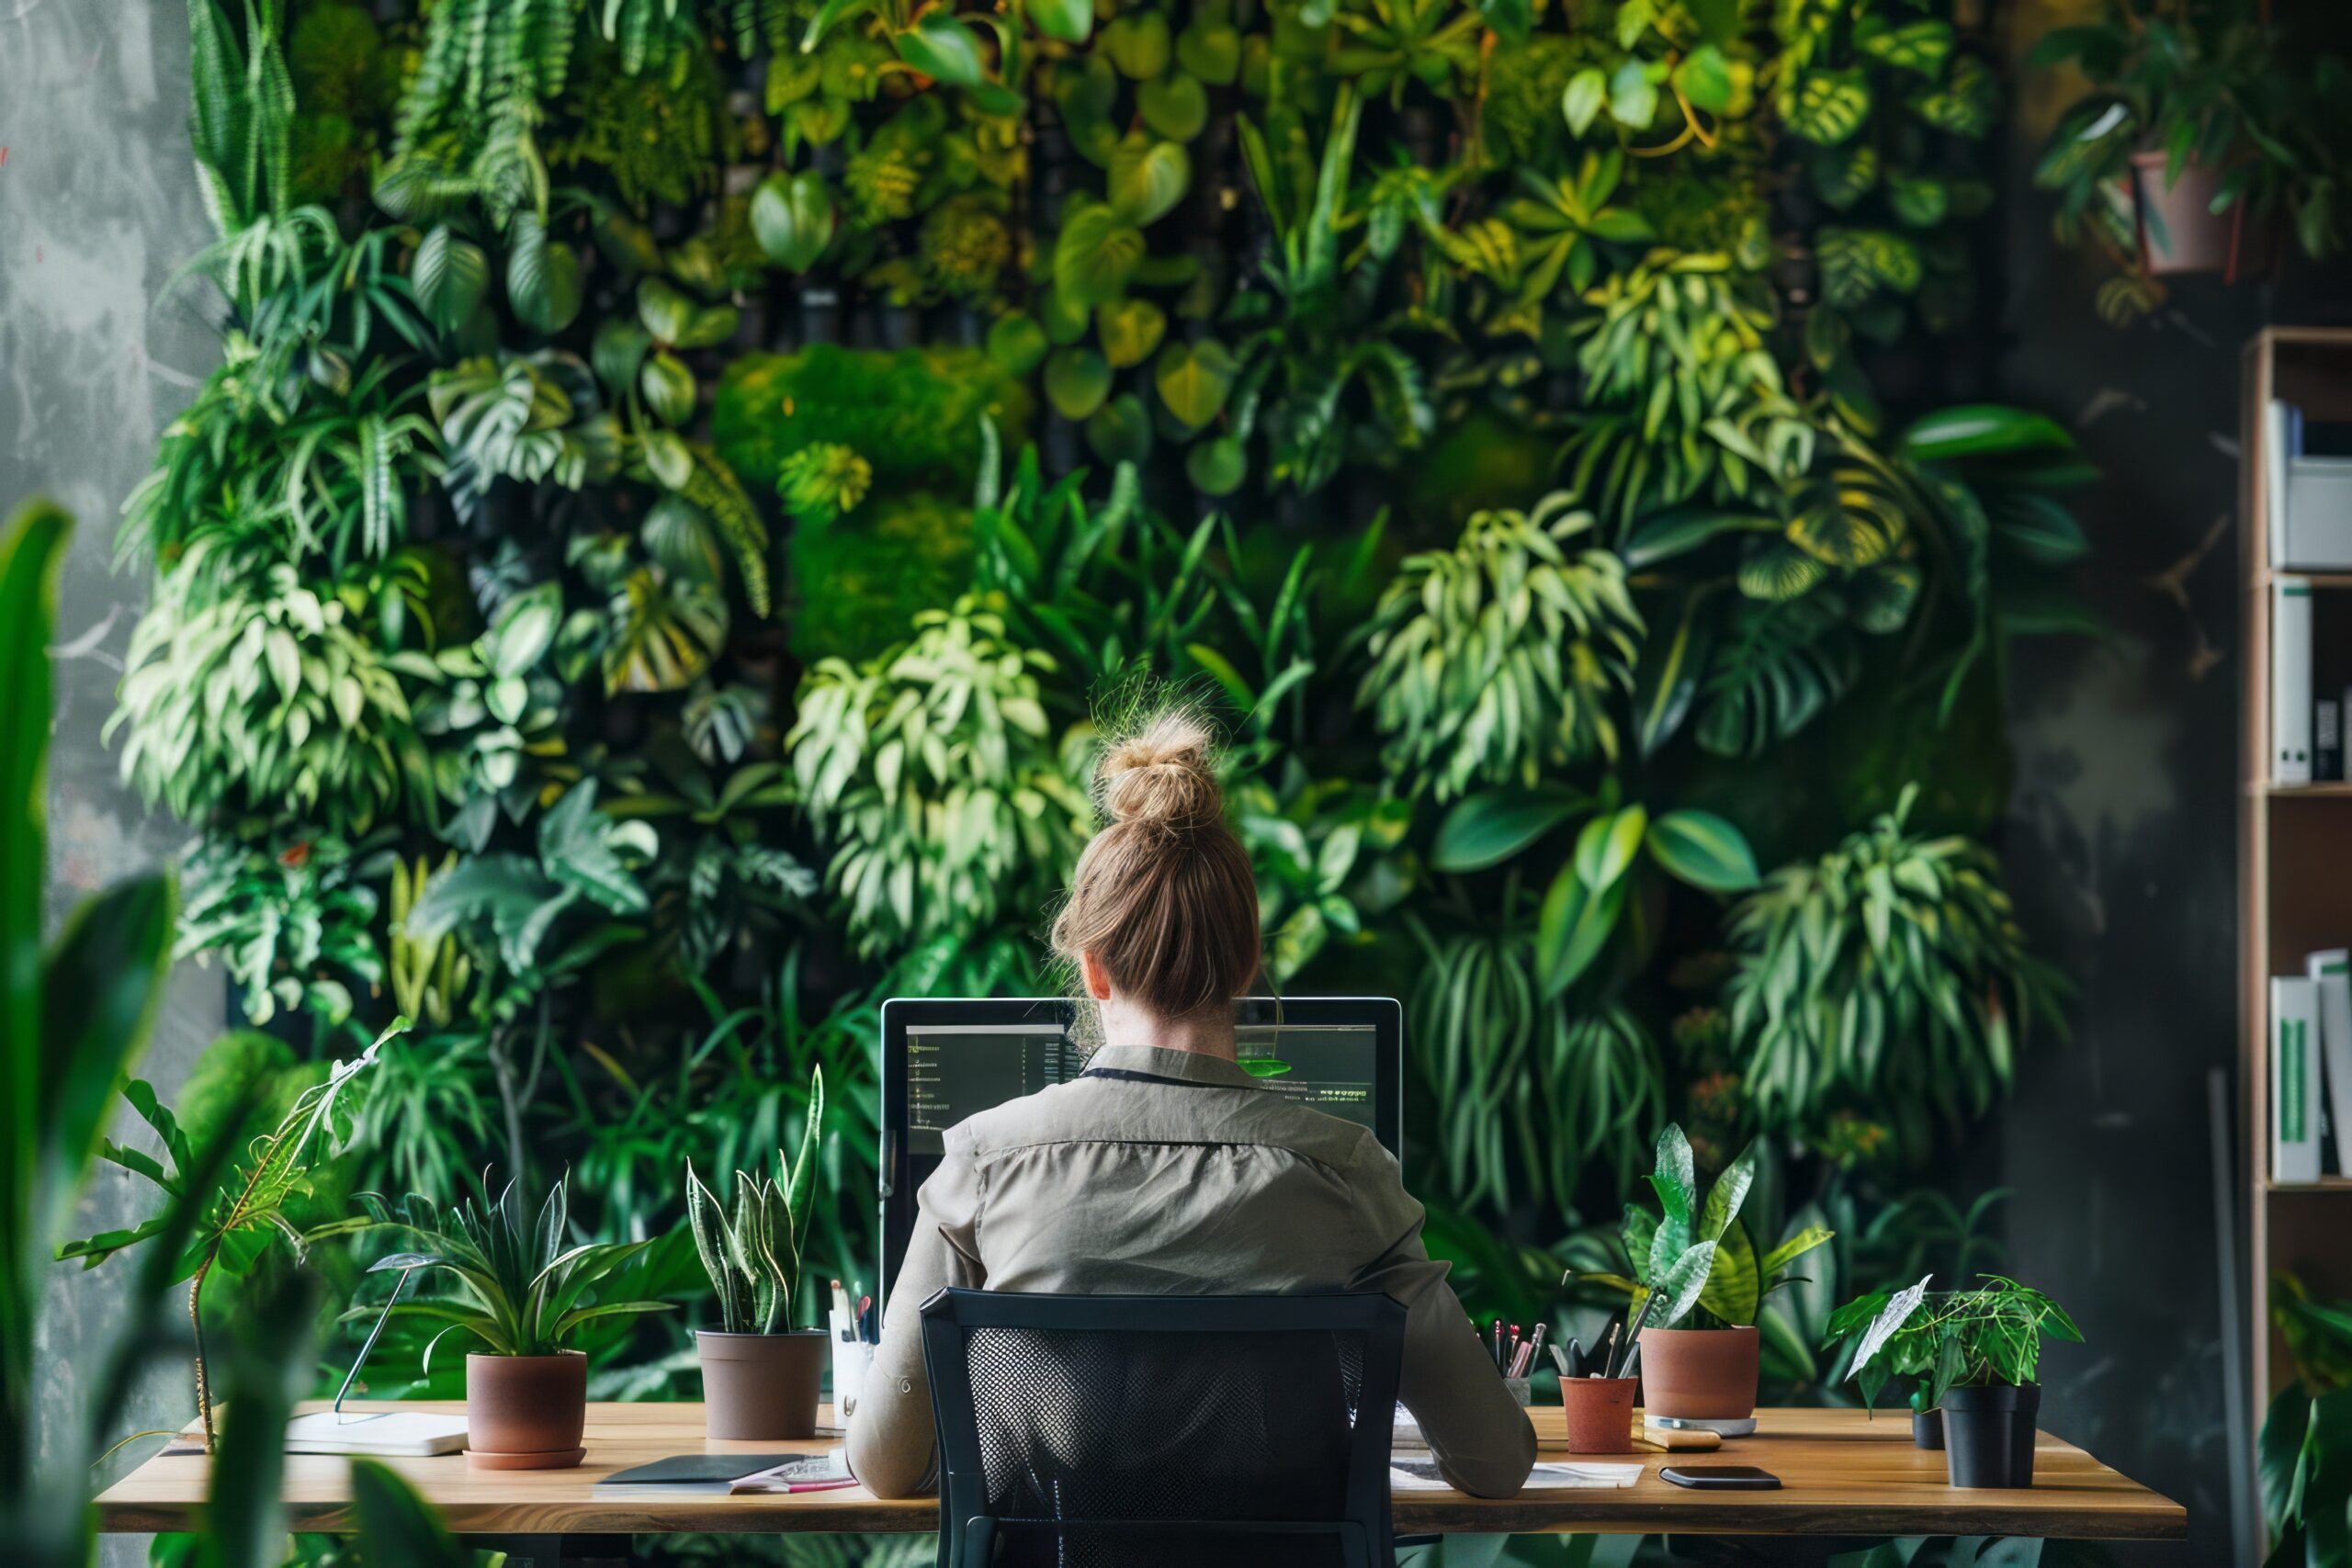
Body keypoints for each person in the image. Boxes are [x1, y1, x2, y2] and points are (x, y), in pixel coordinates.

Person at [845, 708, 1536, 1500]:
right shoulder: (1346, 1172)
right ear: (1247, 963)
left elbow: (887, 1466)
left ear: (1095, 970)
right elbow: (1494, 1460)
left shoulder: (984, 1162)